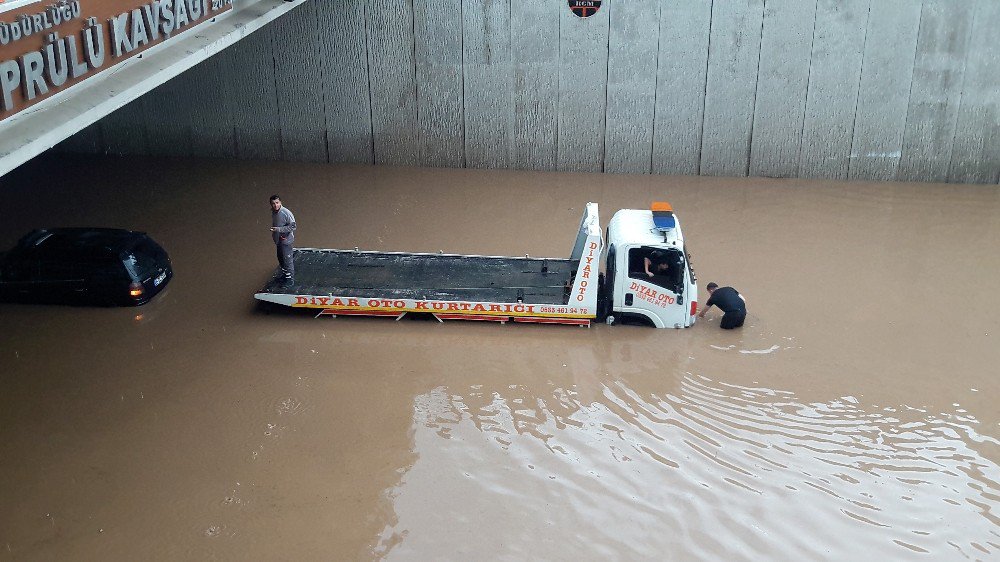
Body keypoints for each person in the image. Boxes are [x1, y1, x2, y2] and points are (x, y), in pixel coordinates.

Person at [269, 195, 296, 282]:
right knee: (280, 257)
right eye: (273, 203)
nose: (275, 205)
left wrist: (278, 229)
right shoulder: (273, 212)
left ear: (280, 202)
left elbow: (293, 227)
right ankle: (284, 274)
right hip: (278, 240)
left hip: (286, 240)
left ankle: (290, 279)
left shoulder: (286, 213)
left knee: (287, 259)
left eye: (277, 203)